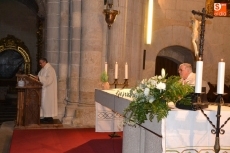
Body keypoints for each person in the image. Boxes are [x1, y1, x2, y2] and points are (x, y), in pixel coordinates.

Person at [36, 58, 58, 123]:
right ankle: (43, 116)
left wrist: (39, 78)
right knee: (43, 104)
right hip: (43, 90)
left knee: (47, 104)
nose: (40, 64)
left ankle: (48, 117)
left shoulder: (50, 69)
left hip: (48, 91)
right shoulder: (43, 69)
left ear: (45, 62)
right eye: (39, 63)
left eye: (41, 63)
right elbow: (39, 76)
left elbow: (49, 80)